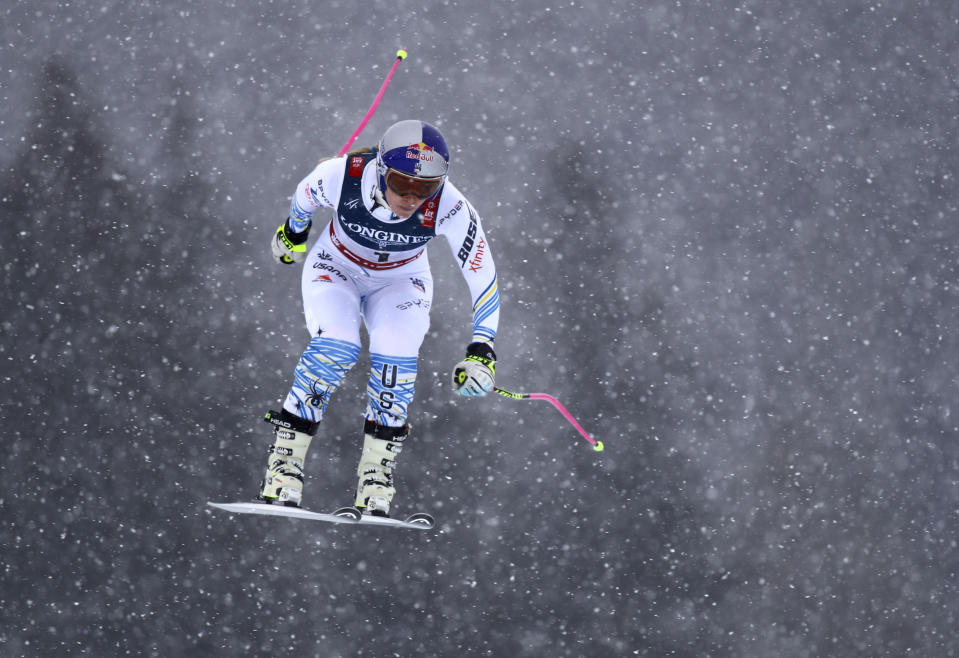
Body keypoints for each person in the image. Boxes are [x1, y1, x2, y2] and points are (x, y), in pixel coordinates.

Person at [258, 119, 500, 517]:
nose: (411, 198)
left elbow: (483, 278)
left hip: (402, 280)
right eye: (402, 183)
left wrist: (482, 349)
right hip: (335, 268)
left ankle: (376, 476)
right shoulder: (341, 175)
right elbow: (304, 196)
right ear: (381, 168)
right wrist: (293, 234)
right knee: (337, 345)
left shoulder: (452, 206)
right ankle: (283, 467)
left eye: (425, 188)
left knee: (396, 358)